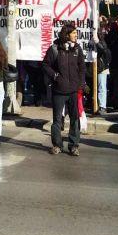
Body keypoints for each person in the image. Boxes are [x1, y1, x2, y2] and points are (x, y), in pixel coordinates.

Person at [42, 24, 84, 156]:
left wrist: (81, 83)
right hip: (59, 91)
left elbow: (82, 67)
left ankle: (74, 145)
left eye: (76, 33)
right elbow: (45, 64)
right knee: (57, 120)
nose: (76, 36)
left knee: (75, 119)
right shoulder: (54, 49)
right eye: (74, 33)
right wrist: (55, 76)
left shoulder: (77, 49)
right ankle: (57, 145)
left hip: (73, 90)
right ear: (67, 35)